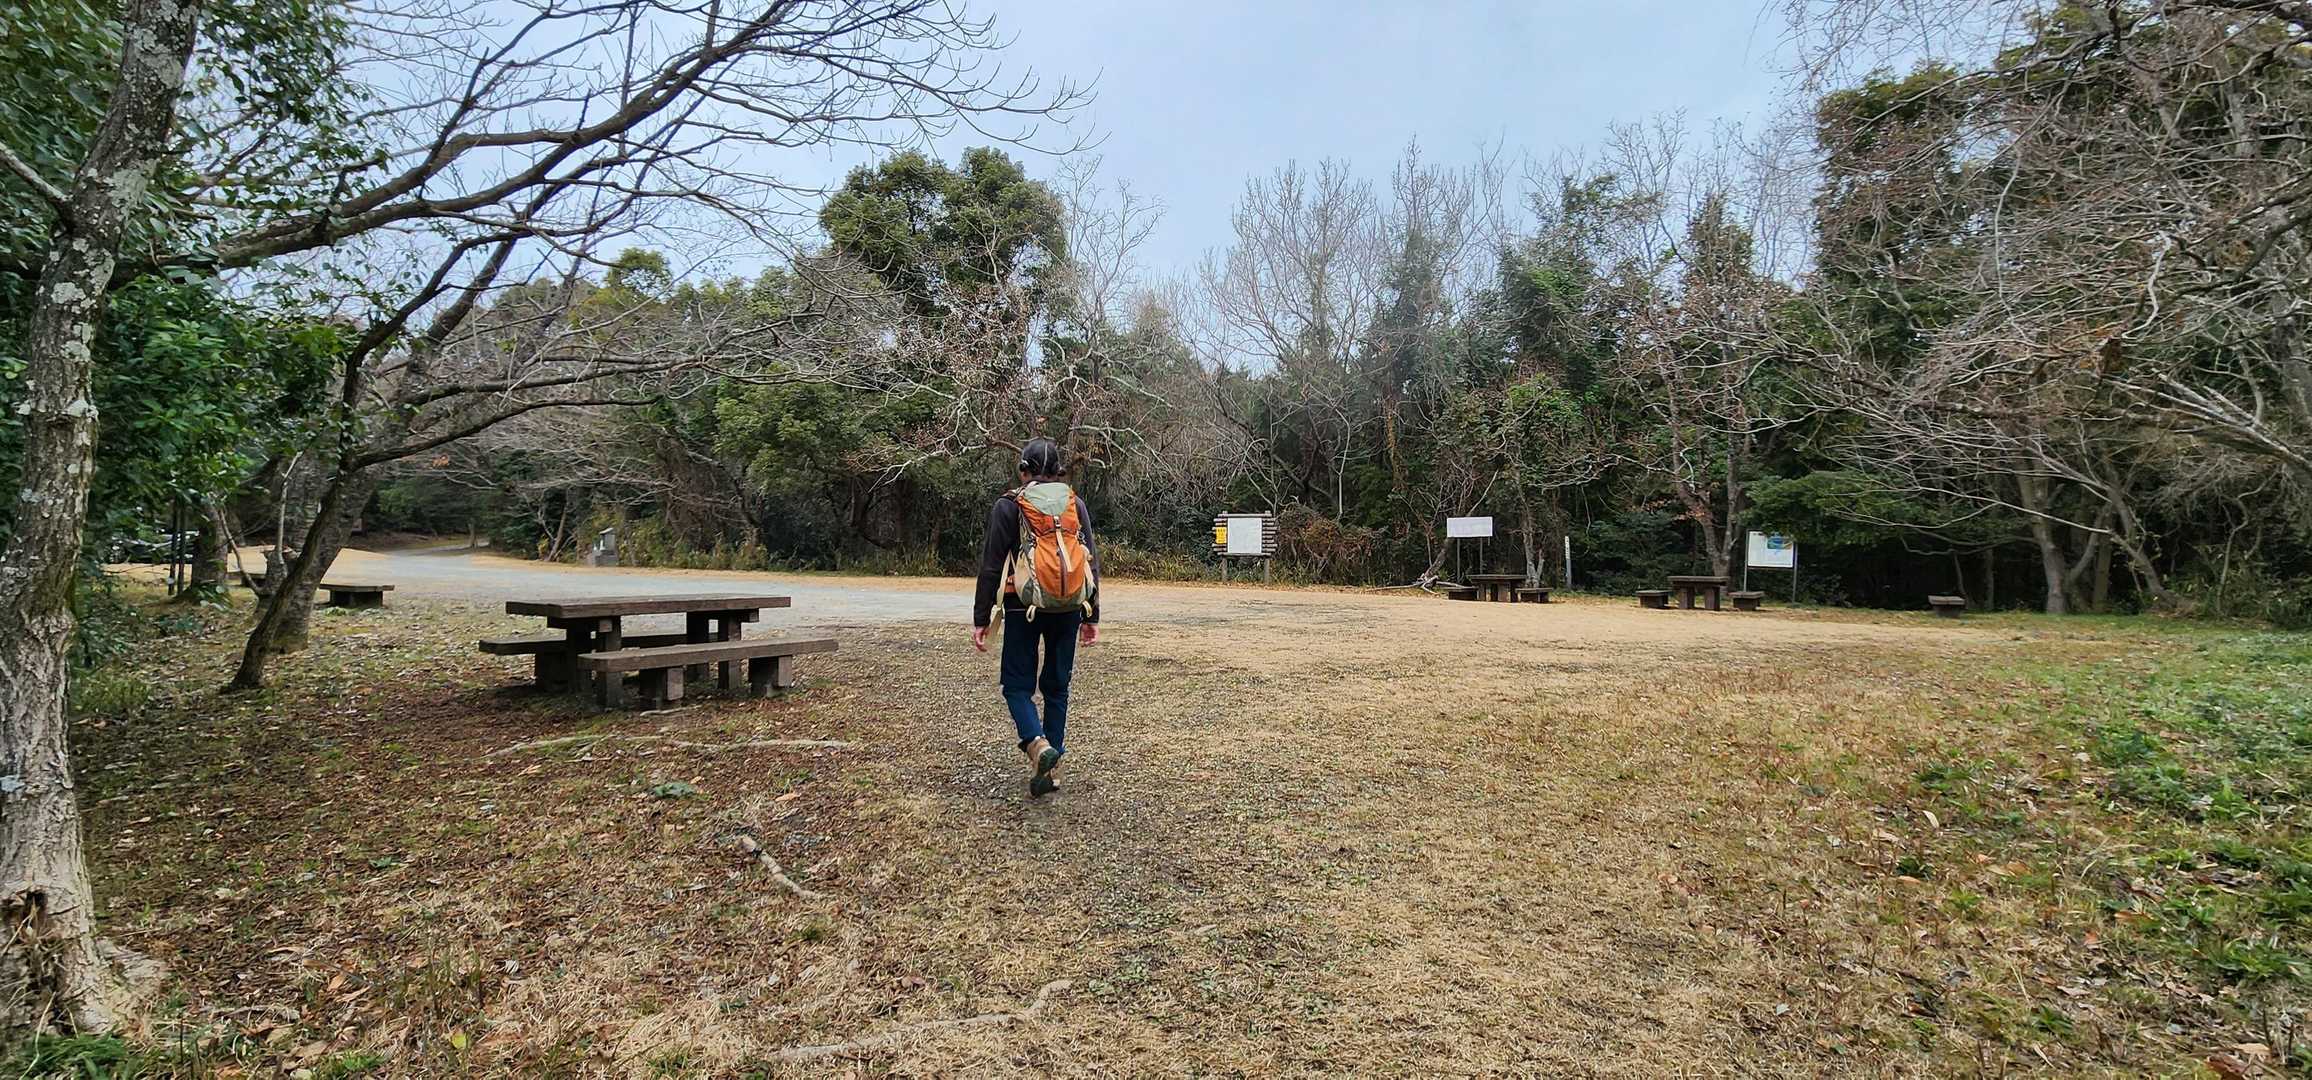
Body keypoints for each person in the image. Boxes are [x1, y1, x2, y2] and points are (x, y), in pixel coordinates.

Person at [972, 438, 1100, 797]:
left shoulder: (1009, 505)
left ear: (1024, 470)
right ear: (1058, 471)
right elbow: (1089, 560)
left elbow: (991, 565)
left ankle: (1037, 744)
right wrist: (1092, 615)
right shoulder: (1074, 503)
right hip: (1069, 606)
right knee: (1057, 687)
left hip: (1022, 605)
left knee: (1017, 686)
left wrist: (981, 617)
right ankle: (1050, 771)